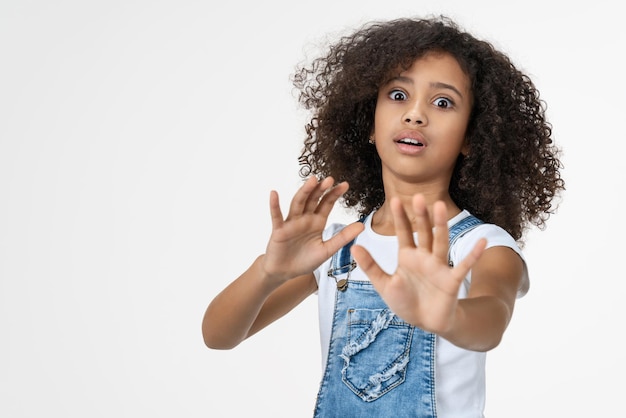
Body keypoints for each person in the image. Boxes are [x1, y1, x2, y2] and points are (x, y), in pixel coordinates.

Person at [202, 15, 564, 418]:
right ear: (369, 124)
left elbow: (492, 320)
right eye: (397, 95)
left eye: (442, 102)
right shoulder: (337, 251)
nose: (415, 115)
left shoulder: (481, 245)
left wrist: (450, 316)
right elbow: (218, 336)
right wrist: (268, 271)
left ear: (471, 139)